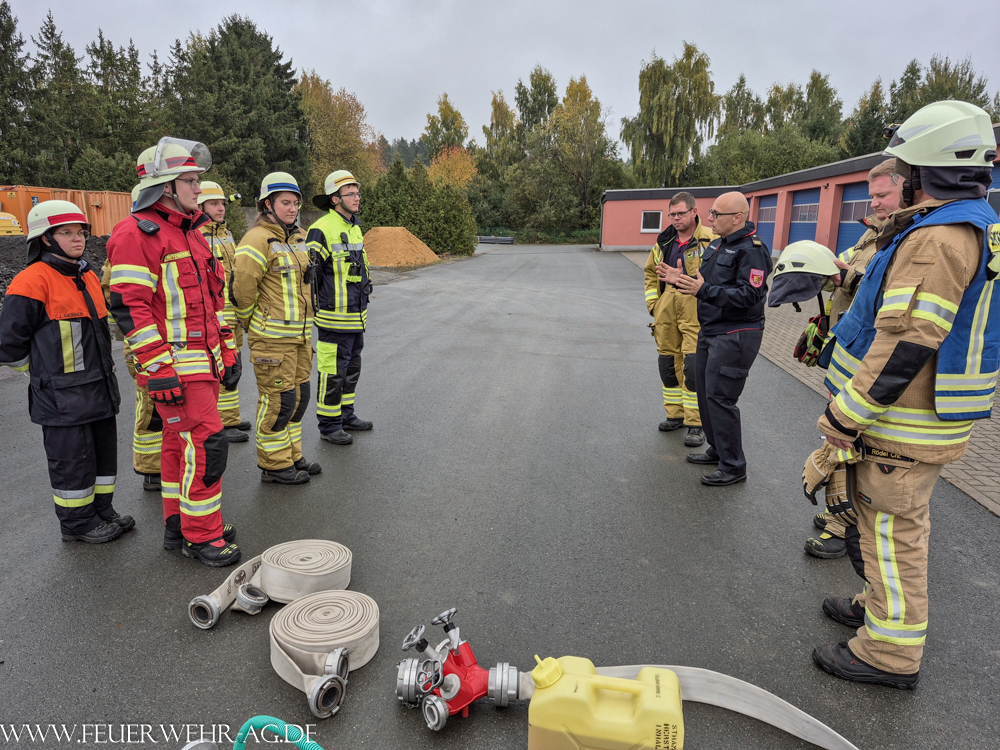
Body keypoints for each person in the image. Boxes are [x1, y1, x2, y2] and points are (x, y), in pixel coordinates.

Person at [811, 100, 1000, 688]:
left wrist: (845, 417)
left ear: (929, 171)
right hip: (917, 417)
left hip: (902, 423)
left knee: (893, 536)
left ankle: (888, 654)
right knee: (877, 526)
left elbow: (904, 345)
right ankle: (876, 606)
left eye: (907, 168)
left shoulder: (938, 239)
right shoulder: (971, 225)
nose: (899, 177)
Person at [107, 138, 242, 567]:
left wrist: (228, 351)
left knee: (178, 445)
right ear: (165, 186)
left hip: (200, 365)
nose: (198, 188)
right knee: (206, 445)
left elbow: (212, 302)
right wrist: (158, 366)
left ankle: (178, 524)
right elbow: (130, 306)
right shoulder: (135, 234)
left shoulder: (192, 234)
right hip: (176, 368)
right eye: (190, 180)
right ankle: (202, 535)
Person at [769, 159, 905, 560]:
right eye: (873, 195)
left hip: (873, 370)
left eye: (883, 195)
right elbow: (840, 269)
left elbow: (881, 292)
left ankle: (839, 527)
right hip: (849, 362)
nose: (875, 203)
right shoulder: (873, 236)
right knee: (841, 444)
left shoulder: (910, 240)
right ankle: (841, 515)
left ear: (909, 187)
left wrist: (844, 277)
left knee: (848, 449)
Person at [0, 200, 130, 543]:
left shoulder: (86, 274)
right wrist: (43, 375)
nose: (78, 239)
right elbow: (9, 347)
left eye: (80, 232)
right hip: (61, 398)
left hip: (98, 389)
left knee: (103, 458)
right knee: (72, 464)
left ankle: (102, 511)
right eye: (67, 233)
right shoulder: (31, 282)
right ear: (45, 238)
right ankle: (77, 525)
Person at [657, 191, 772, 486]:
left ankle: (734, 466)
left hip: (736, 334)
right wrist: (678, 280)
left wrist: (702, 291)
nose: (709, 219)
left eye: (716, 214)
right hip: (711, 330)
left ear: (737, 218)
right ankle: (718, 451)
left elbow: (750, 295)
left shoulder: (752, 250)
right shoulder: (719, 245)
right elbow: (703, 283)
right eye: (710, 213)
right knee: (706, 394)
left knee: (722, 398)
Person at [231, 172, 321, 483]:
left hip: (299, 337)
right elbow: (241, 290)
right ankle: (273, 464)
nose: (293, 208)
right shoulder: (256, 240)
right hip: (272, 341)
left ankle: (292, 455)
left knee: (298, 399)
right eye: (285, 202)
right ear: (267, 204)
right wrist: (254, 323)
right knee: (278, 402)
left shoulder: (298, 237)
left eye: (296, 202)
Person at [102, 184, 163, 493]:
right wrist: (127, 339)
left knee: (165, 409)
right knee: (151, 407)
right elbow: (118, 300)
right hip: (140, 344)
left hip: (158, 341)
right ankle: (151, 469)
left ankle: (164, 462)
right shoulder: (128, 241)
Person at [643, 191, 715, 447]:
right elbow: (650, 273)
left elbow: (718, 277)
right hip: (666, 310)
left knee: (693, 367)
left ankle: (696, 424)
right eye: (671, 214)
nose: (675, 218)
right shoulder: (664, 242)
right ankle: (675, 415)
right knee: (667, 363)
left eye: (680, 213)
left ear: (694, 211)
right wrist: (654, 304)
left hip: (696, 310)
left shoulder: (712, 240)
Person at [307, 170, 373, 445]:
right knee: (332, 373)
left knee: (351, 369)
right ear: (335, 198)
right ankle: (329, 425)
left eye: (358, 193)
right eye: (351, 194)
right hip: (333, 320)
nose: (357, 198)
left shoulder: (354, 227)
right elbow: (311, 278)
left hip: (355, 318)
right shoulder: (321, 228)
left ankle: (346, 415)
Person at [198, 181, 251, 444]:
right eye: (214, 204)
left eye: (222, 203)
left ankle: (230, 418)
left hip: (233, 314)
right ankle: (221, 422)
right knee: (220, 368)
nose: (221, 208)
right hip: (217, 316)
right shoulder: (198, 235)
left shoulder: (225, 233)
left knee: (233, 366)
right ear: (200, 206)